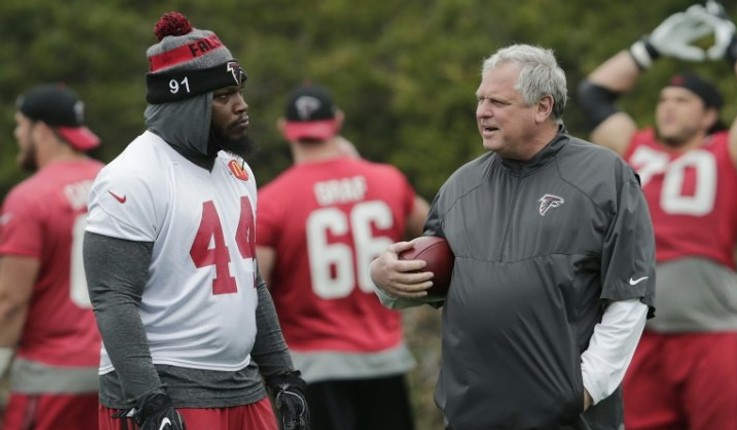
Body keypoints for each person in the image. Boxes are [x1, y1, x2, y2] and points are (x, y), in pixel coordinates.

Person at [369, 43, 656, 430]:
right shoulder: (460, 186)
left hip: (569, 419)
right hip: (472, 416)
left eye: (498, 102)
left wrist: (583, 390)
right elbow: (425, 278)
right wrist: (384, 278)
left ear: (542, 107)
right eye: (480, 99)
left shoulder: (606, 177)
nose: (482, 111)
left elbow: (629, 298)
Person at [82, 12, 309, 430]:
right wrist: (149, 400)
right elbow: (113, 298)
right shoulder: (132, 176)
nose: (241, 106)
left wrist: (283, 375)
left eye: (239, 91)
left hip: (242, 384)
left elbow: (249, 281)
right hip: (168, 388)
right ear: (184, 103)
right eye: (222, 95)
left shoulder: (236, 170)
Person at [576, 2, 737, 430]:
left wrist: (731, 43)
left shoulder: (731, 153)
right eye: (663, 99)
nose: (668, 107)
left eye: (682, 100)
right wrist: (650, 47)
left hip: (713, 333)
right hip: (640, 336)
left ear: (708, 114)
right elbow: (593, 92)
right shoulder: (635, 147)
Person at [255, 83, 430, 430]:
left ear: (284, 128)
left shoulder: (271, 201)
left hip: (313, 366)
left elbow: (254, 291)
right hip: (385, 360)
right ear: (337, 121)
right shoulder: (388, 180)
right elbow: (436, 236)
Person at [0, 84, 103, 430]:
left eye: (20, 125)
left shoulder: (29, 199)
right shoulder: (116, 182)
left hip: (51, 378)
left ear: (41, 130)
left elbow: (10, 299)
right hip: (118, 374)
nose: (17, 133)